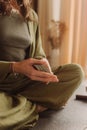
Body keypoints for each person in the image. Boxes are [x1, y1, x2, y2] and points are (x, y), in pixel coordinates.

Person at [0, 0, 84, 130]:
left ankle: (15, 105)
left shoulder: (30, 15)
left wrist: (42, 63)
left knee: (76, 72)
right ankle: (35, 107)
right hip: (2, 83)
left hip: (25, 82)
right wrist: (15, 67)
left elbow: (38, 52)